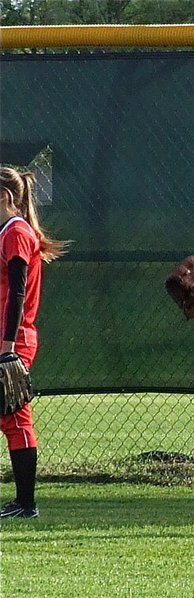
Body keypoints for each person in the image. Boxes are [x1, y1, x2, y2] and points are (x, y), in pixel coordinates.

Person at [0, 165, 68, 519]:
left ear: (5, 197)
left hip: (12, 339)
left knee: (15, 418)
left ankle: (26, 504)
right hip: (6, 337)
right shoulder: (9, 231)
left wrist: (8, 346)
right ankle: (25, 503)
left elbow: (17, 291)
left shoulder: (16, 232)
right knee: (11, 418)